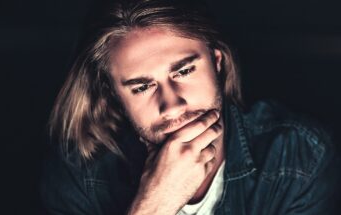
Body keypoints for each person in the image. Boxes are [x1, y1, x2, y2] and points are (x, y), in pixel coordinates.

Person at [40, 0, 340, 214]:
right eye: (142, 87)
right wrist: (154, 204)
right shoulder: (79, 170)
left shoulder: (299, 156)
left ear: (217, 63)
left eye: (184, 71)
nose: (172, 105)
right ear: (113, 94)